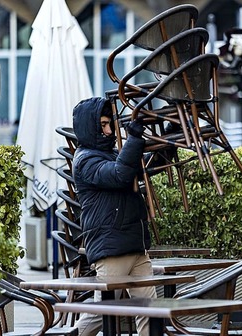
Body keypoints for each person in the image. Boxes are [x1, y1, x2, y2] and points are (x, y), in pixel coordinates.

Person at [72, 96, 157, 336]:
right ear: (90, 127)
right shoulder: (85, 160)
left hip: (135, 245)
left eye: (111, 124)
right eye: (103, 125)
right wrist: (134, 139)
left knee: (150, 313)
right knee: (100, 314)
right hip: (112, 248)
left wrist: (168, 139)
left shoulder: (111, 153)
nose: (109, 130)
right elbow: (120, 175)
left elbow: (146, 166)